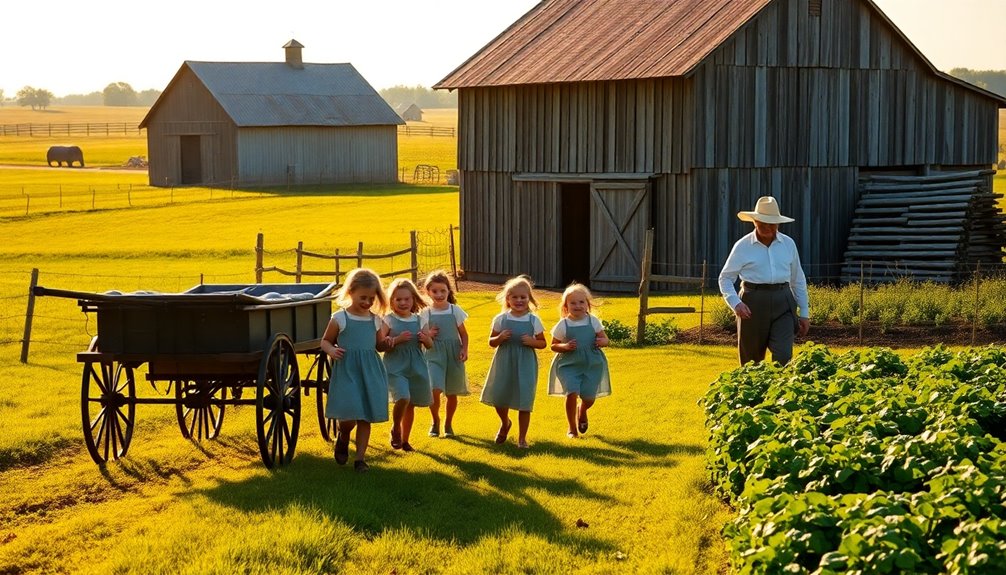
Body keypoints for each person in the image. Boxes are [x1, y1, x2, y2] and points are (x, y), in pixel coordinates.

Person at [717, 196, 810, 366]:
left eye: (771, 223)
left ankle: (780, 391)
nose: (767, 227)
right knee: (751, 362)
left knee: (783, 357)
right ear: (754, 222)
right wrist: (736, 303)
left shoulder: (788, 244)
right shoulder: (742, 246)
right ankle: (752, 391)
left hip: (784, 301)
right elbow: (725, 278)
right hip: (752, 303)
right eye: (762, 223)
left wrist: (804, 312)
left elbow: (798, 279)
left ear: (778, 223)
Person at [321, 268, 389, 473]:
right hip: (347, 370)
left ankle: (360, 459)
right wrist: (332, 350)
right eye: (363, 297)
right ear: (350, 292)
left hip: (370, 371)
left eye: (371, 298)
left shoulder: (375, 320)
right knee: (349, 416)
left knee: (365, 416)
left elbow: (379, 346)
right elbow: (325, 341)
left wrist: (389, 342)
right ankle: (343, 436)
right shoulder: (340, 318)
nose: (368, 302)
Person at [481, 275, 547, 449]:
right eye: (515, 297)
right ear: (508, 299)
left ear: (529, 299)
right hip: (504, 361)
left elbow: (543, 343)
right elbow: (491, 342)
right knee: (499, 397)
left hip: (525, 363)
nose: (519, 300)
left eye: (523, 297)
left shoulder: (534, 320)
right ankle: (505, 423)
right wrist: (500, 337)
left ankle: (522, 438)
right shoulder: (501, 319)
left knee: (524, 400)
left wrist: (532, 342)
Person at [547, 283, 611, 439]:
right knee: (571, 393)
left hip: (592, 364)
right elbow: (553, 345)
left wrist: (602, 341)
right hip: (569, 365)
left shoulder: (593, 321)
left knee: (589, 398)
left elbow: (605, 339)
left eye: (581, 302)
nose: (577, 305)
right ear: (566, 306)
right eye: (573, 303)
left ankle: (582, 410)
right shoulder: (563, 325)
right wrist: (565, 346)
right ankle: (572, 429)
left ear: (587, 304)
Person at [380, 278, 434, 453]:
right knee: (403, 397)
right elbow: (379, 344)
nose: (403, 303)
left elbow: (430, 344)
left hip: (416, 366)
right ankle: (396, 428)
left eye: (407, 299)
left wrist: (426, 339)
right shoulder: (388, 320)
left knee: (411, 404)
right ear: (391, 301)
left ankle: (405, 440)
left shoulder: (420, 320)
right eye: (398, 299)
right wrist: (395, 340)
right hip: (395, 366)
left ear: (413, 300)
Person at [420, 270, 470, 438]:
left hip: (453, 353)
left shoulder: (454, 310)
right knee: (434, 389)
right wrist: (429, 334)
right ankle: (435, 421)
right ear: (428, 291)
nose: (439, 294)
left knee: (452, 393)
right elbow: (421, 335)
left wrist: (464, 349)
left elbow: (463, 333)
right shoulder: (425, 312)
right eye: (435, 291)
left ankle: (448, 423)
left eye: (443, 291)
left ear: (449, 291)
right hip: (433, 353)